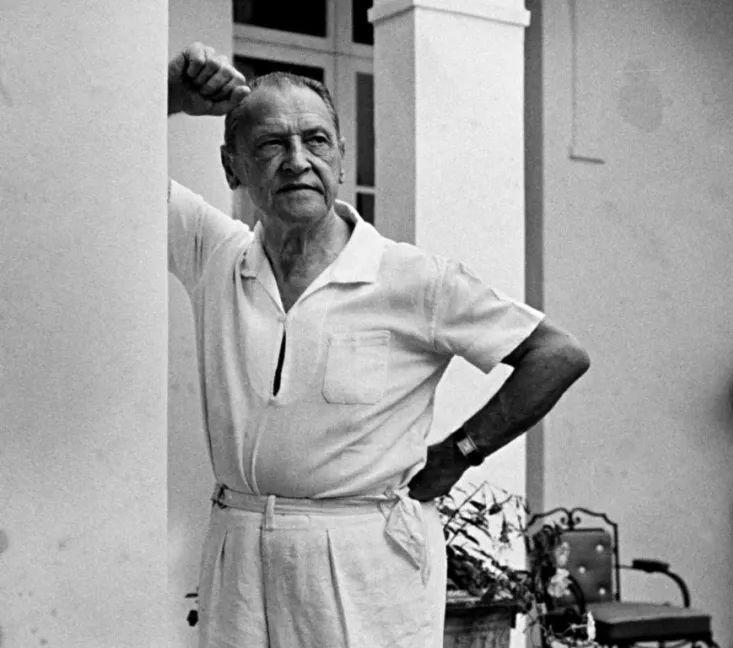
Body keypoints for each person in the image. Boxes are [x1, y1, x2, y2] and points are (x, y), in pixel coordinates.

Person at [166, 42, 590, 648]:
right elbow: (104, 166)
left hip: (365, 560)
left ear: (341, 157)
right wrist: (168, 98)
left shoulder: (412, 277)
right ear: (233, 167)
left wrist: (462, 451)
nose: (296, 161)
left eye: (315, 141)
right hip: (240, 552)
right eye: (270, 144)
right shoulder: (216, 255)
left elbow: (557, 355)